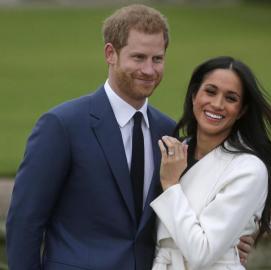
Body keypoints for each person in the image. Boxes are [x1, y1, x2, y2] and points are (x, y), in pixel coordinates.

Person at [6, 5, 252, 270]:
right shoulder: (62, 126)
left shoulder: (169, 132)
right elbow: (25, 222)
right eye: (138, 57)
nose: (148, 70)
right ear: (110, 54)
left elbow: (184, 210)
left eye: (157, 59)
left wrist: (228, 240)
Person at [150, 56, 271, 269]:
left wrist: (172, 186)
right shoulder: (173, 152)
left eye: (231, 98)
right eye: (210, 91)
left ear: (242, 110)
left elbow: (201, 253)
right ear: (194, 95)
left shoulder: (248, 169)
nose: (217, 104)